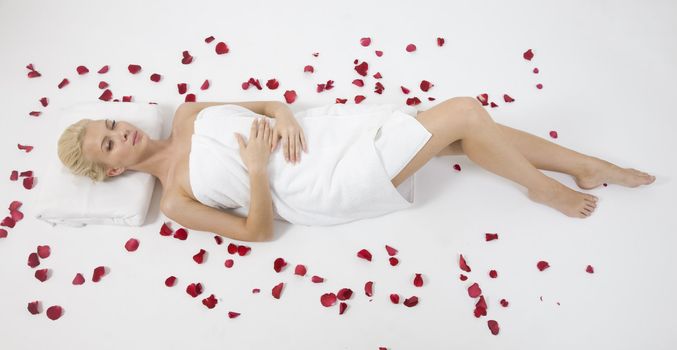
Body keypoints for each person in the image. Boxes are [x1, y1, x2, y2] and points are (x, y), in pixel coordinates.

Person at [57, 98, 656, 241]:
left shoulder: (190, 113)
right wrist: (258, 169)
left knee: (463, 134)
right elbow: (259, 233)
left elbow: (267, 105)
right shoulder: (175, 201)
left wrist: (286, 118)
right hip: (322, 183)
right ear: (111, 172)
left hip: (328, 136)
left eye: (110, 125)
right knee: (465, 116)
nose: (121, 132)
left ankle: (588, 167)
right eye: (109, 145)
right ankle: (552, 187)